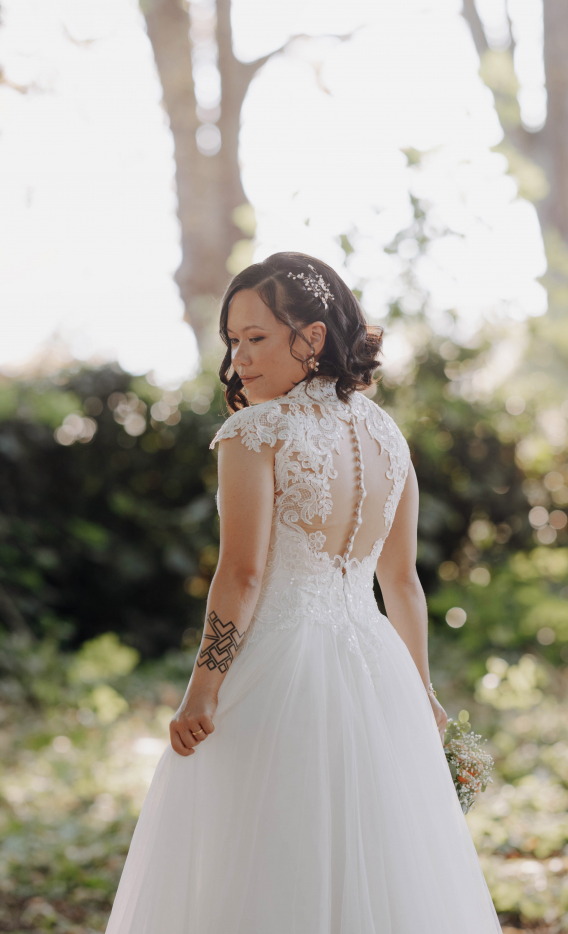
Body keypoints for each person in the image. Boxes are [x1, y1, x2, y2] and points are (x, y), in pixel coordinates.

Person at [103, 252, 502, 933]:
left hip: (279, 671)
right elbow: (400, 582)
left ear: (312, 338)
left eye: (256, 338)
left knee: (259, 864)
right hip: (379, 673)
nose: (240, 360)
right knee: (371, 865)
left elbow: (243, 574)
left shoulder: (253, 431)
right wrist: (422, 692)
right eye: (233, 341)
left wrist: (203, 687)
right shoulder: (388, 436)